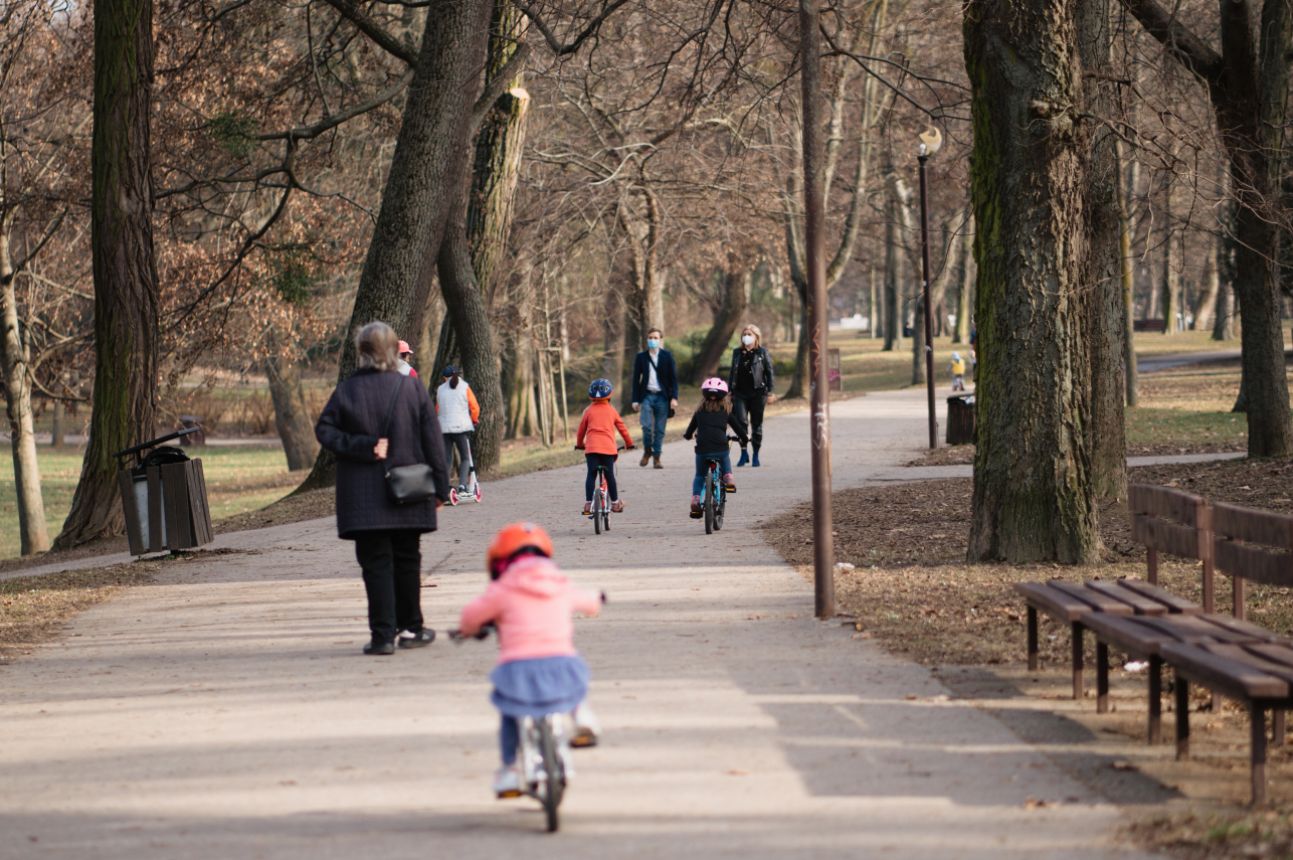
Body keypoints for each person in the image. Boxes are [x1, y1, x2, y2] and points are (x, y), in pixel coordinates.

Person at [315, 321, 451, 656]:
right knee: (407, 559)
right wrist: (441, 488)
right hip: (409, 490)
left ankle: (382, 636)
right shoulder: (411, 388)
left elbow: (325, 431)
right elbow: (433, 441)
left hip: (363, 498)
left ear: (362, 352)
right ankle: (414, 627)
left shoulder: (347, 390)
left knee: (375, 564)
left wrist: (362, 446)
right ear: (393, 351)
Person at [457, 522, 603, 797]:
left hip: (517, 668)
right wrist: (598, 600)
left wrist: (466, 630)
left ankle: (510, 771)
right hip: (560, 662)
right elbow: (588, 602)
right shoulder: (559, 582)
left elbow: (472, 617)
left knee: (510, 713)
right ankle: (581, 714)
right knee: (575, 682)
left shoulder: (503, 589)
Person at [682, 378, 748, 518]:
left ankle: (695, 499)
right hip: (720, 446)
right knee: (724, 457)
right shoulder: (726, 411)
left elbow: (690, 430)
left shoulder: (699, 411)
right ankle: (728, 477)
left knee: (700, 475)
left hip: (702, 448)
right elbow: (738, 428)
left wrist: (688, 435)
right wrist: (745, 438)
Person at [575, 378, 634, 516]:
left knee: (591, 474)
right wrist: (629, 443)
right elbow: (622, 428)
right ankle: (614, 503)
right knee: (610, 475)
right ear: (610, 395)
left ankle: (588, 503)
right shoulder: (612, 411)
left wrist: (579, 444)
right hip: (608, 450)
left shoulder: (588, 411)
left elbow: (581, 431)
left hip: (591, 450)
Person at [727, 323, 776, 468]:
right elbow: (732, 373)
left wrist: (770, 392)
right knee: (741, 423)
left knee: (757, 425)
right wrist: (730, 391)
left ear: (756, 337)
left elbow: (769, 373)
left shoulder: (762, 352)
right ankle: (743, 452)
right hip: (740, 393)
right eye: (744, 334)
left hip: (758, 393)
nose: (746, 337)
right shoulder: (737, 352)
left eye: (749, 334)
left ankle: (755, 454)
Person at [629, 327, 678, 469]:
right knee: (646, 427)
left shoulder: (667, 356)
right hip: (646, 396)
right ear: (647, 340)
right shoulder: (641, 357)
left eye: (655, 338)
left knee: (660, 430)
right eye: (650, 338)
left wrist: (674, 397)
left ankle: (657, 457)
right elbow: (636, 380)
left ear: (660, 340)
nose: (652, 340)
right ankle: (647, 451)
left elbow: (673, 379)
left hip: (662, 397)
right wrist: (635, 400)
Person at [436, 365, 481, 493]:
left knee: (447, 458)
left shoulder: (440, 389)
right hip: (461, 427)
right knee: (465, 457)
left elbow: (437, 409)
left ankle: (443, 486)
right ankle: (462, 486)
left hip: (444, 428)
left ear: (444, 377)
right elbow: (475, 407)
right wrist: (474, 419)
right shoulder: (464, 387)